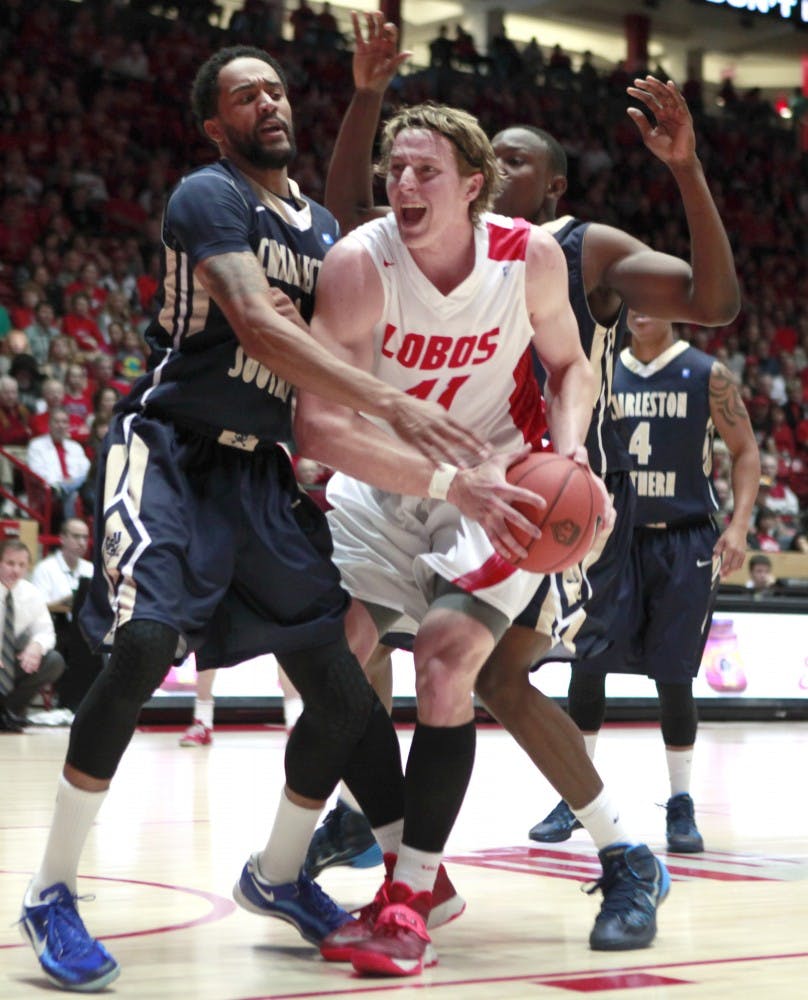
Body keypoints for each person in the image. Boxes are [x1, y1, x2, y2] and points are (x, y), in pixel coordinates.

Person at [18, 43, 524, 994]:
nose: (271, 102)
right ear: (217, 125)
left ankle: (279, 873)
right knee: (144, 644)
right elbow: (256, 323)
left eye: (280, 89)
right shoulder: (207, 196)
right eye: (248, 95)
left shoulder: (328, 227)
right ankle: (51, 891)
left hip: (266, 480)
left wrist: (368, 96)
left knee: (340, 686)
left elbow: (358, 302)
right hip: (172, 450)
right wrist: (396, 407)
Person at [317, 13, 738, 955]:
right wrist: (370, 96)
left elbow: (713, 305)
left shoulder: (573, 250)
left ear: (546, 184)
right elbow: (352, 223)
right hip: (437, 484)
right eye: (488, 156)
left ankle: (613, 856)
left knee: (486, 669)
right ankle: (392, 825)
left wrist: (685, 170)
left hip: (553, 486)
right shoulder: (411, 239)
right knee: (369, 657)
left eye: (513, 162)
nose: (497, 171)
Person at [271, 15, 605, 977]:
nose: (403, 185)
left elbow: (571, 364)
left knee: (449, 664)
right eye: (394, 169)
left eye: (425, 171)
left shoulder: (530, 258)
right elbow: (321, 428)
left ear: (471, 186)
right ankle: (410, 868)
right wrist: (432, 473)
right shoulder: (358, 264)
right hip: (385, 484)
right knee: (332, 669)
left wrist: (572, 458)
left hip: (496, 489)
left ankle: (411, 895)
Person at [545, 309, 758, 853]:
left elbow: (746, 453)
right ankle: (577, 794)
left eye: (654, 298)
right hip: (614, 539)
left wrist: (737, 526)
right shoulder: (599, 370)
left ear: (676, 307)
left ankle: (681, 804)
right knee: (588, 665)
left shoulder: (709, 374)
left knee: (673, 675)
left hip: (684, 538)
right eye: (631, 298)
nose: (640, 308)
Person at [31, 517, 100, 712]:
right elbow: (38, 607)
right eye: (76, 536)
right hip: (55, 628)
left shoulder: (91, 569)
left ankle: (91, 704)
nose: (81, 542)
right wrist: (68, 601)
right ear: (62, 538)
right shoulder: (45, 569)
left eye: (85, 537)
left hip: (85, 628)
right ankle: (67, 700)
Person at [0, 538, 66, 732]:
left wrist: (36, 646)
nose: (16, 570)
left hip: (10, 661)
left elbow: (46, 631)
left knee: (54, 661)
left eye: (21, 565)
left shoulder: (31, 593)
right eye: (10, 563)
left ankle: (9, 712)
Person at [26, 407, 91, 525]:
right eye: (57, 422)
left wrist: (71, 482)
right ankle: (71, 527)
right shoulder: (36, 445)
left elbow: (86, 470)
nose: (61, 425)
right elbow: (36, 471)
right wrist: (61, 482)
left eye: (64, 422)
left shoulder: (75, 447)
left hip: (76, 488)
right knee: (72, 494)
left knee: (87, 482)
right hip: (48, 491)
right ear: (49, 424)